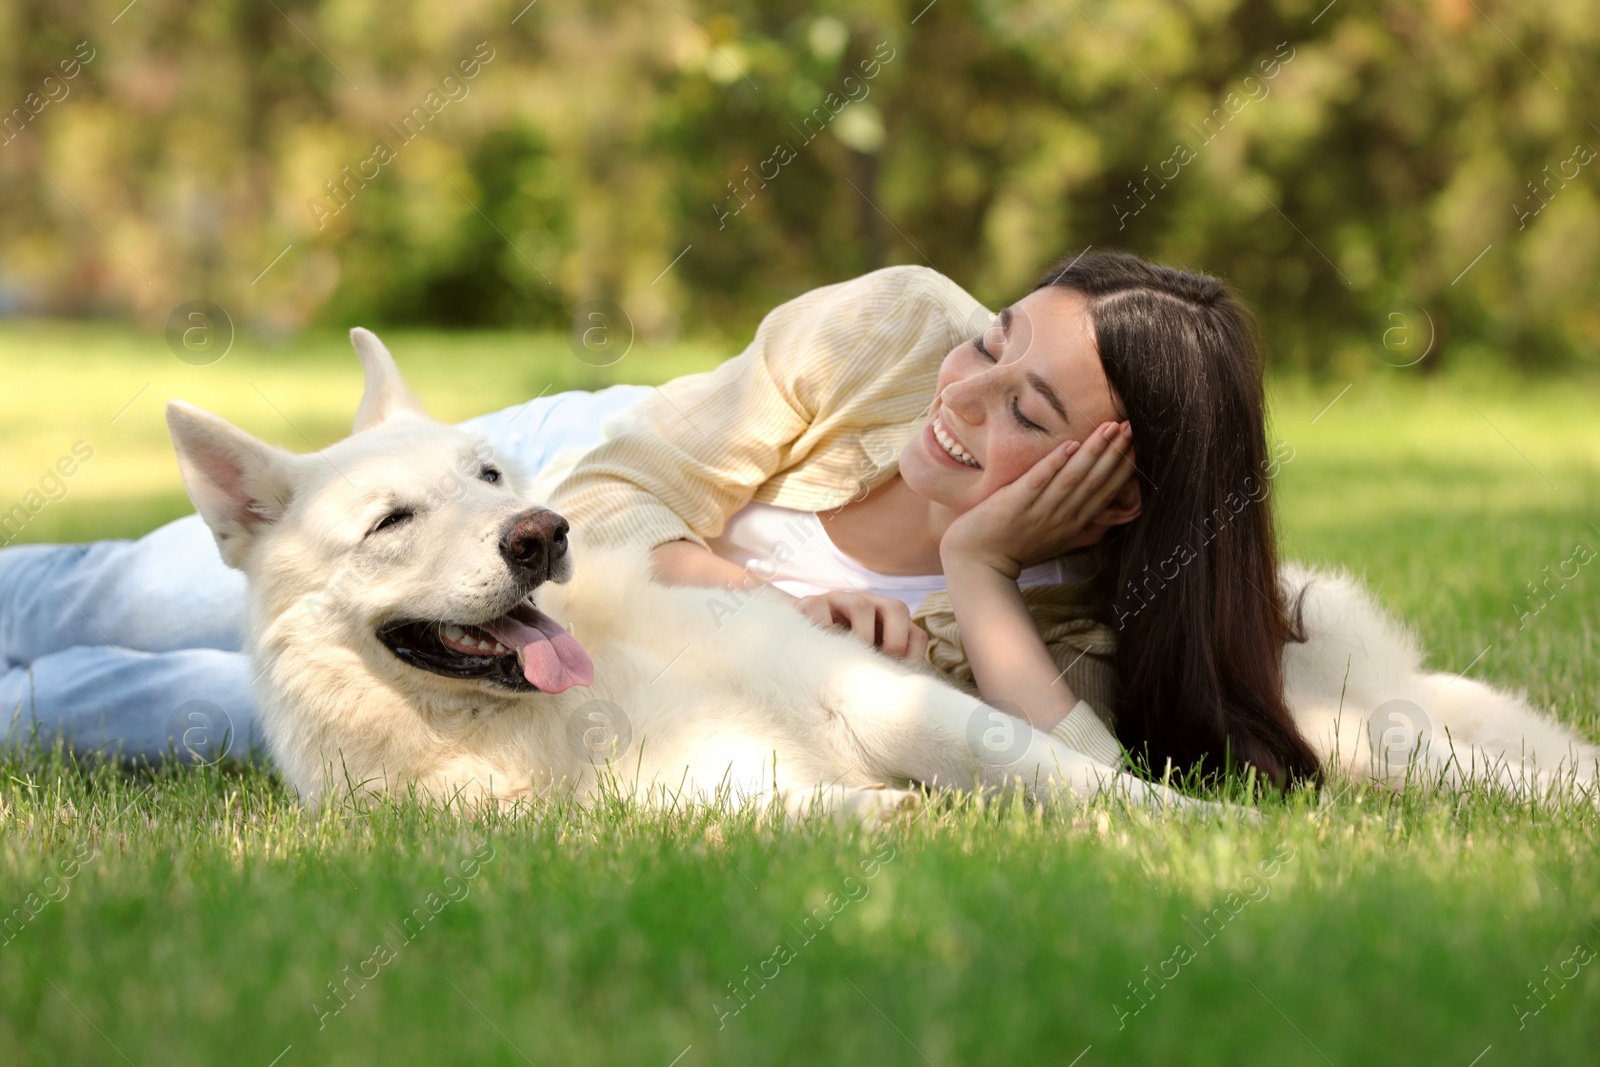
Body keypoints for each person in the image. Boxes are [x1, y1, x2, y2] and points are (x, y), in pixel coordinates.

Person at [0, 251, 1320, 784]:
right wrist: (768, 604)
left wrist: (977, 569)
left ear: (1123, 488)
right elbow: (610, 496)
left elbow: (1074, 776)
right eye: (995, 340)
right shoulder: (901, 325)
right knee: (136, 593)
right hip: (545, 494)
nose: (960, 398)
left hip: (560, 672)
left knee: (193, 711)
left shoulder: (1080, 629)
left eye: (1028, 414)